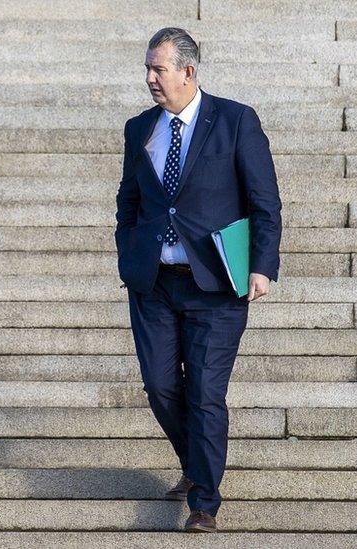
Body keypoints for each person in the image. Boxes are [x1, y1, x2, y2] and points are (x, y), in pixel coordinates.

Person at [114, 27, 283, 533]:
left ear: (188, 72)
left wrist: (261, 264)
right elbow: (129, 203)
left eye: (158, 69)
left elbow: (265, 202)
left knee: (205, 392)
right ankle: (196, 463)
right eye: (147, 68)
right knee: (161, 386)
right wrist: (129, 255)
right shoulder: (139, 128)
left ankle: (204, 502)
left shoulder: (235, 121)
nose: (149, 79)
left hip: (216, 285)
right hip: (155, 283)